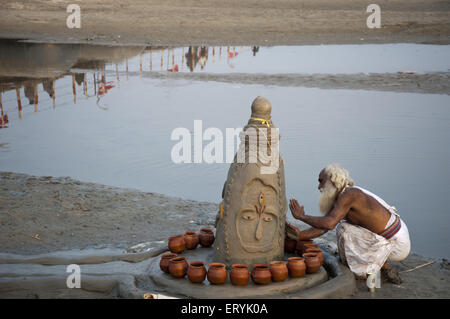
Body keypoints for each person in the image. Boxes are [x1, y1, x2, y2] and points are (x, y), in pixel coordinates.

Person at [286, 164, 411, 284]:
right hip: (395, 235)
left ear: (333, 182)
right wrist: (298, 236)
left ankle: (369, 268)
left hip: (397, 244)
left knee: (344, 229)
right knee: (341, 226)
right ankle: (380, 264)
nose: (319, 187)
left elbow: (329, 224)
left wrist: (302, 217)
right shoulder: (342, 196)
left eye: (321, 181)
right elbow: (323, 227)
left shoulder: (350, 195)